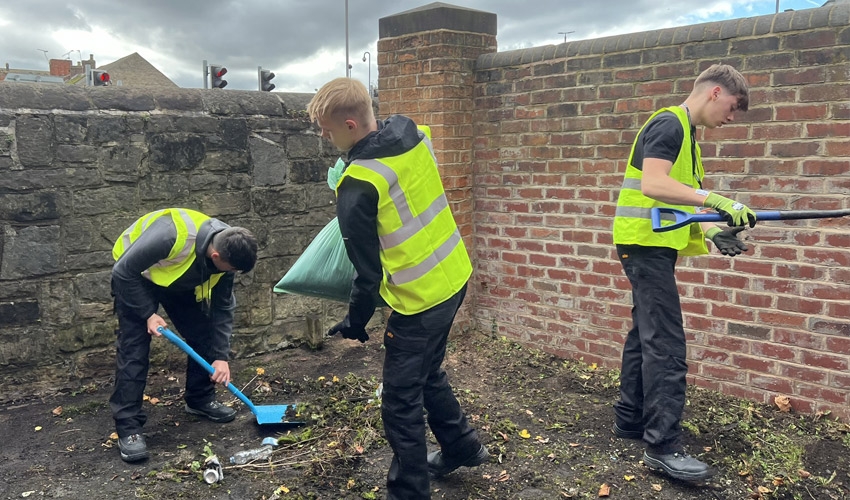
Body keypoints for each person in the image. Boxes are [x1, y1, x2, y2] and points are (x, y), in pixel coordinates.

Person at [307, 78, 488, 500]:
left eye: (327, 129)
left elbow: (365, 272)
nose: (323, 136)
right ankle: (461, 445)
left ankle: (408, 492)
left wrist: (355, 321)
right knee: (427, 374)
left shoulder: (359, 184)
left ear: (350, 124)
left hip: (418, 301)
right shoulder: (414, 134)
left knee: (399, 401)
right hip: (453, 276)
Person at [611, 64, 756, 481]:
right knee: (667, 344)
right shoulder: (669, 125)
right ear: (714, 93)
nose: (731, 117)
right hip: (644, 247)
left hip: (647, 246)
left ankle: (630, 420)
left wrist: (713, 230)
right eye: (732, 107)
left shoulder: (687, 135)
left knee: (646, 333)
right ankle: (663, 445)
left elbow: (679, 202)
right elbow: (654, 185)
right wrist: (718, 199)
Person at [109, 208, 258, 462]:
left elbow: (223, 307)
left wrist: (221, 357)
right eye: (231, 268)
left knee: (204, 334)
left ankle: (199, 399)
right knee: (134, 352)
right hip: (135, 277)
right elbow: (122, 272)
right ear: (215, 255)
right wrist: (148, 313)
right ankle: (129, 428)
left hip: (177, 279)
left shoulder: (230, 245)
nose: (231, 273)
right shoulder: (169, 236)